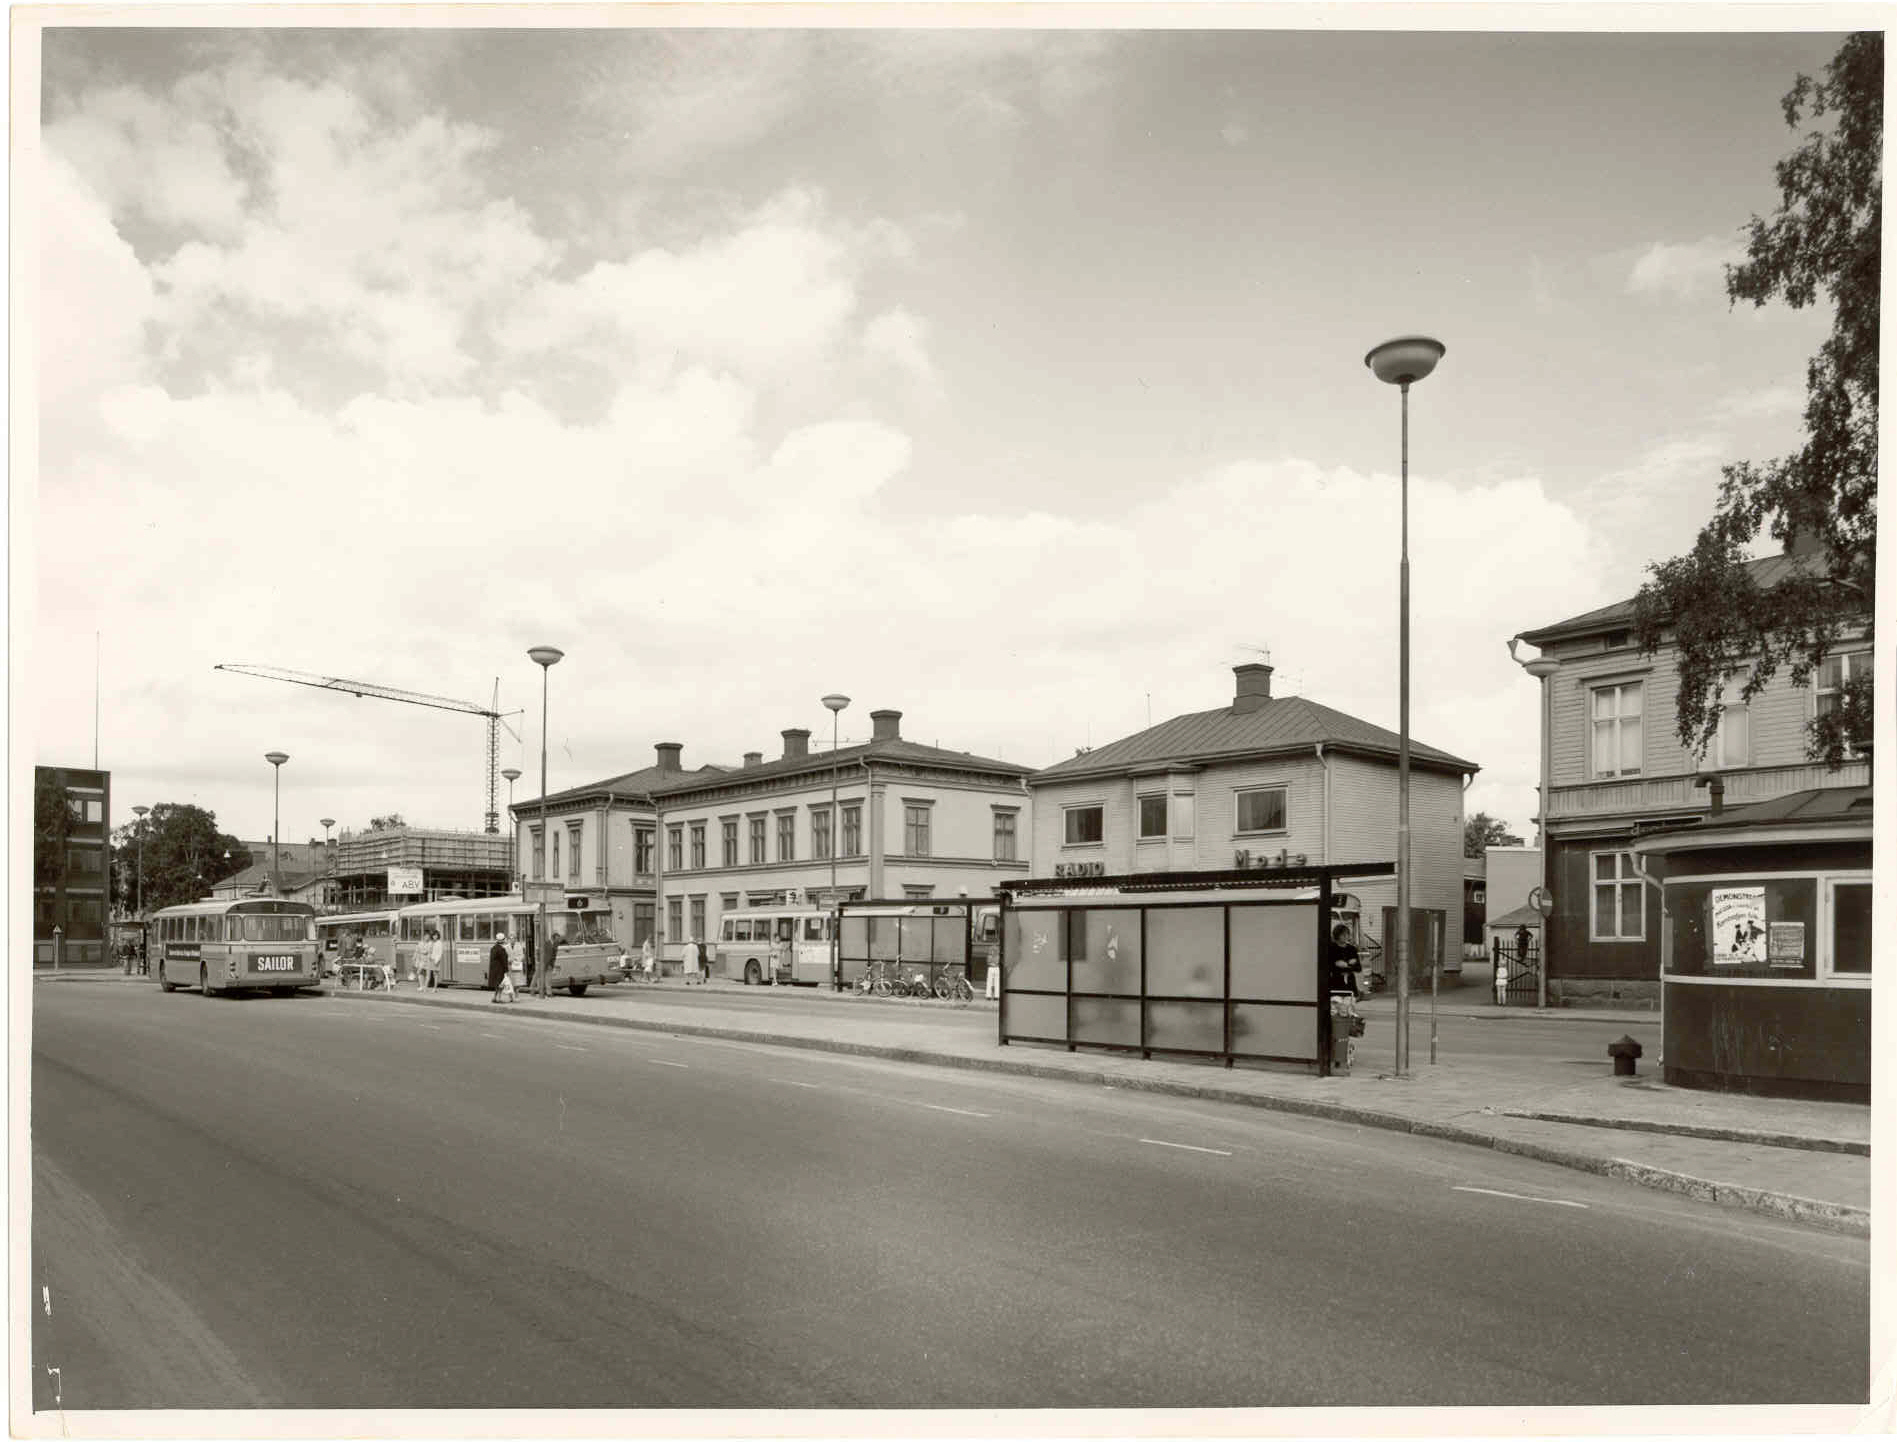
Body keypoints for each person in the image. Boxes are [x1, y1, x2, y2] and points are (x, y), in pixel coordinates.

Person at [1327, 922, 1362, 998]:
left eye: (1347, 934)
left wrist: (1347, 965)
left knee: (1349, 1006)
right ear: (1337, 935)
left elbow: (1359, 968)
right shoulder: (1331, 949)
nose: (1346, 936)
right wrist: (1338, 965)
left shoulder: (1352, 949)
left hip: (1350, 983)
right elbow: (1329, 966)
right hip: (1335, 982)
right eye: (1343, 934)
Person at [540, 926, 561, 998]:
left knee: (547, 978)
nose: (558, 940)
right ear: (553, 937)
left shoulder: (554, 944)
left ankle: (544, 991)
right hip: (547, 964)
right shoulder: (548, 944)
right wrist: (548, 964)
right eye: (557, 938)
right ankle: (548, 993)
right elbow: (548, 956)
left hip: (549, 963)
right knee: (548, 979)